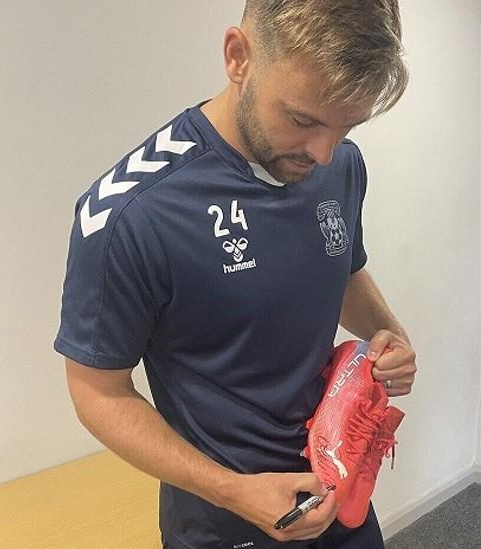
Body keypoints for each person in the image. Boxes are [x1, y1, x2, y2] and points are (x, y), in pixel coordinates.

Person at [54, 2, 417, 548]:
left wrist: (389, 334)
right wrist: (230, 491)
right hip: (224, 519)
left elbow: (342, 266)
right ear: (238, 57)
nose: (323, 154)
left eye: (346, 127)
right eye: (302, 121)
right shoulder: (129, 213)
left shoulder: (340, 163)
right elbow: (96, 392)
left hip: (337, 489)